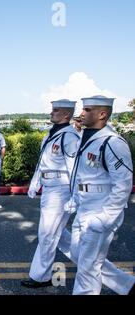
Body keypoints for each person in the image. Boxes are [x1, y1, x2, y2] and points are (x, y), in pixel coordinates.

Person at [66, 95, 135, 295]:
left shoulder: (113, 142)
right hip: (84, 207)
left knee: (88, 266)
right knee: (81, 256)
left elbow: (123, 184)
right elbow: (84, 174)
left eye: (87, 110)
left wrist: (106, 217)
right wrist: (75, 199)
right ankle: (127, 285)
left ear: (102, 114)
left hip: (101, 209)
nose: (81, 113)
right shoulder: (87, 137)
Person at [21, 99, 80, 288]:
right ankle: (94, 265)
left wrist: (74, 196)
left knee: (47, 233)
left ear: (66, 115)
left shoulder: (70, 137)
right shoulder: (51, 134)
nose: (51, 113)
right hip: (49, 188)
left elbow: (75, 170)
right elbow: (42, 162)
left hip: (60, 190)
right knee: (57, 234)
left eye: (55, 110)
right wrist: (35, 183)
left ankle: (41, 276)